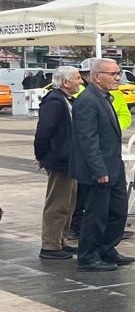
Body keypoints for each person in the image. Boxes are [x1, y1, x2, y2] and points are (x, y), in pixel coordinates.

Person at [71, 58, 134, 273]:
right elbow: (87, 140)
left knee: (118, 211)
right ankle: (88, 256)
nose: (118, 77)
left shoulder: (105, 97)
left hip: (113, 166)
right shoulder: (87, 100)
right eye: (112, 74)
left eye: (118, 73)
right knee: (96, 215)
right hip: (99, 170)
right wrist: (99, 171)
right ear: (97, 77)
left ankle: (107, 249)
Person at [33, 65, 81, 260]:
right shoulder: (54, 102)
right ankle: (50, 244)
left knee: (69, 202)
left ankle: (61, 240)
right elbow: (44, 131)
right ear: (66, 82)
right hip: (59, 160)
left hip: (69, 159)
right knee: (58, 203)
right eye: (77, 78)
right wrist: (42, 156)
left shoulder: (66, 100)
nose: (80, 81)